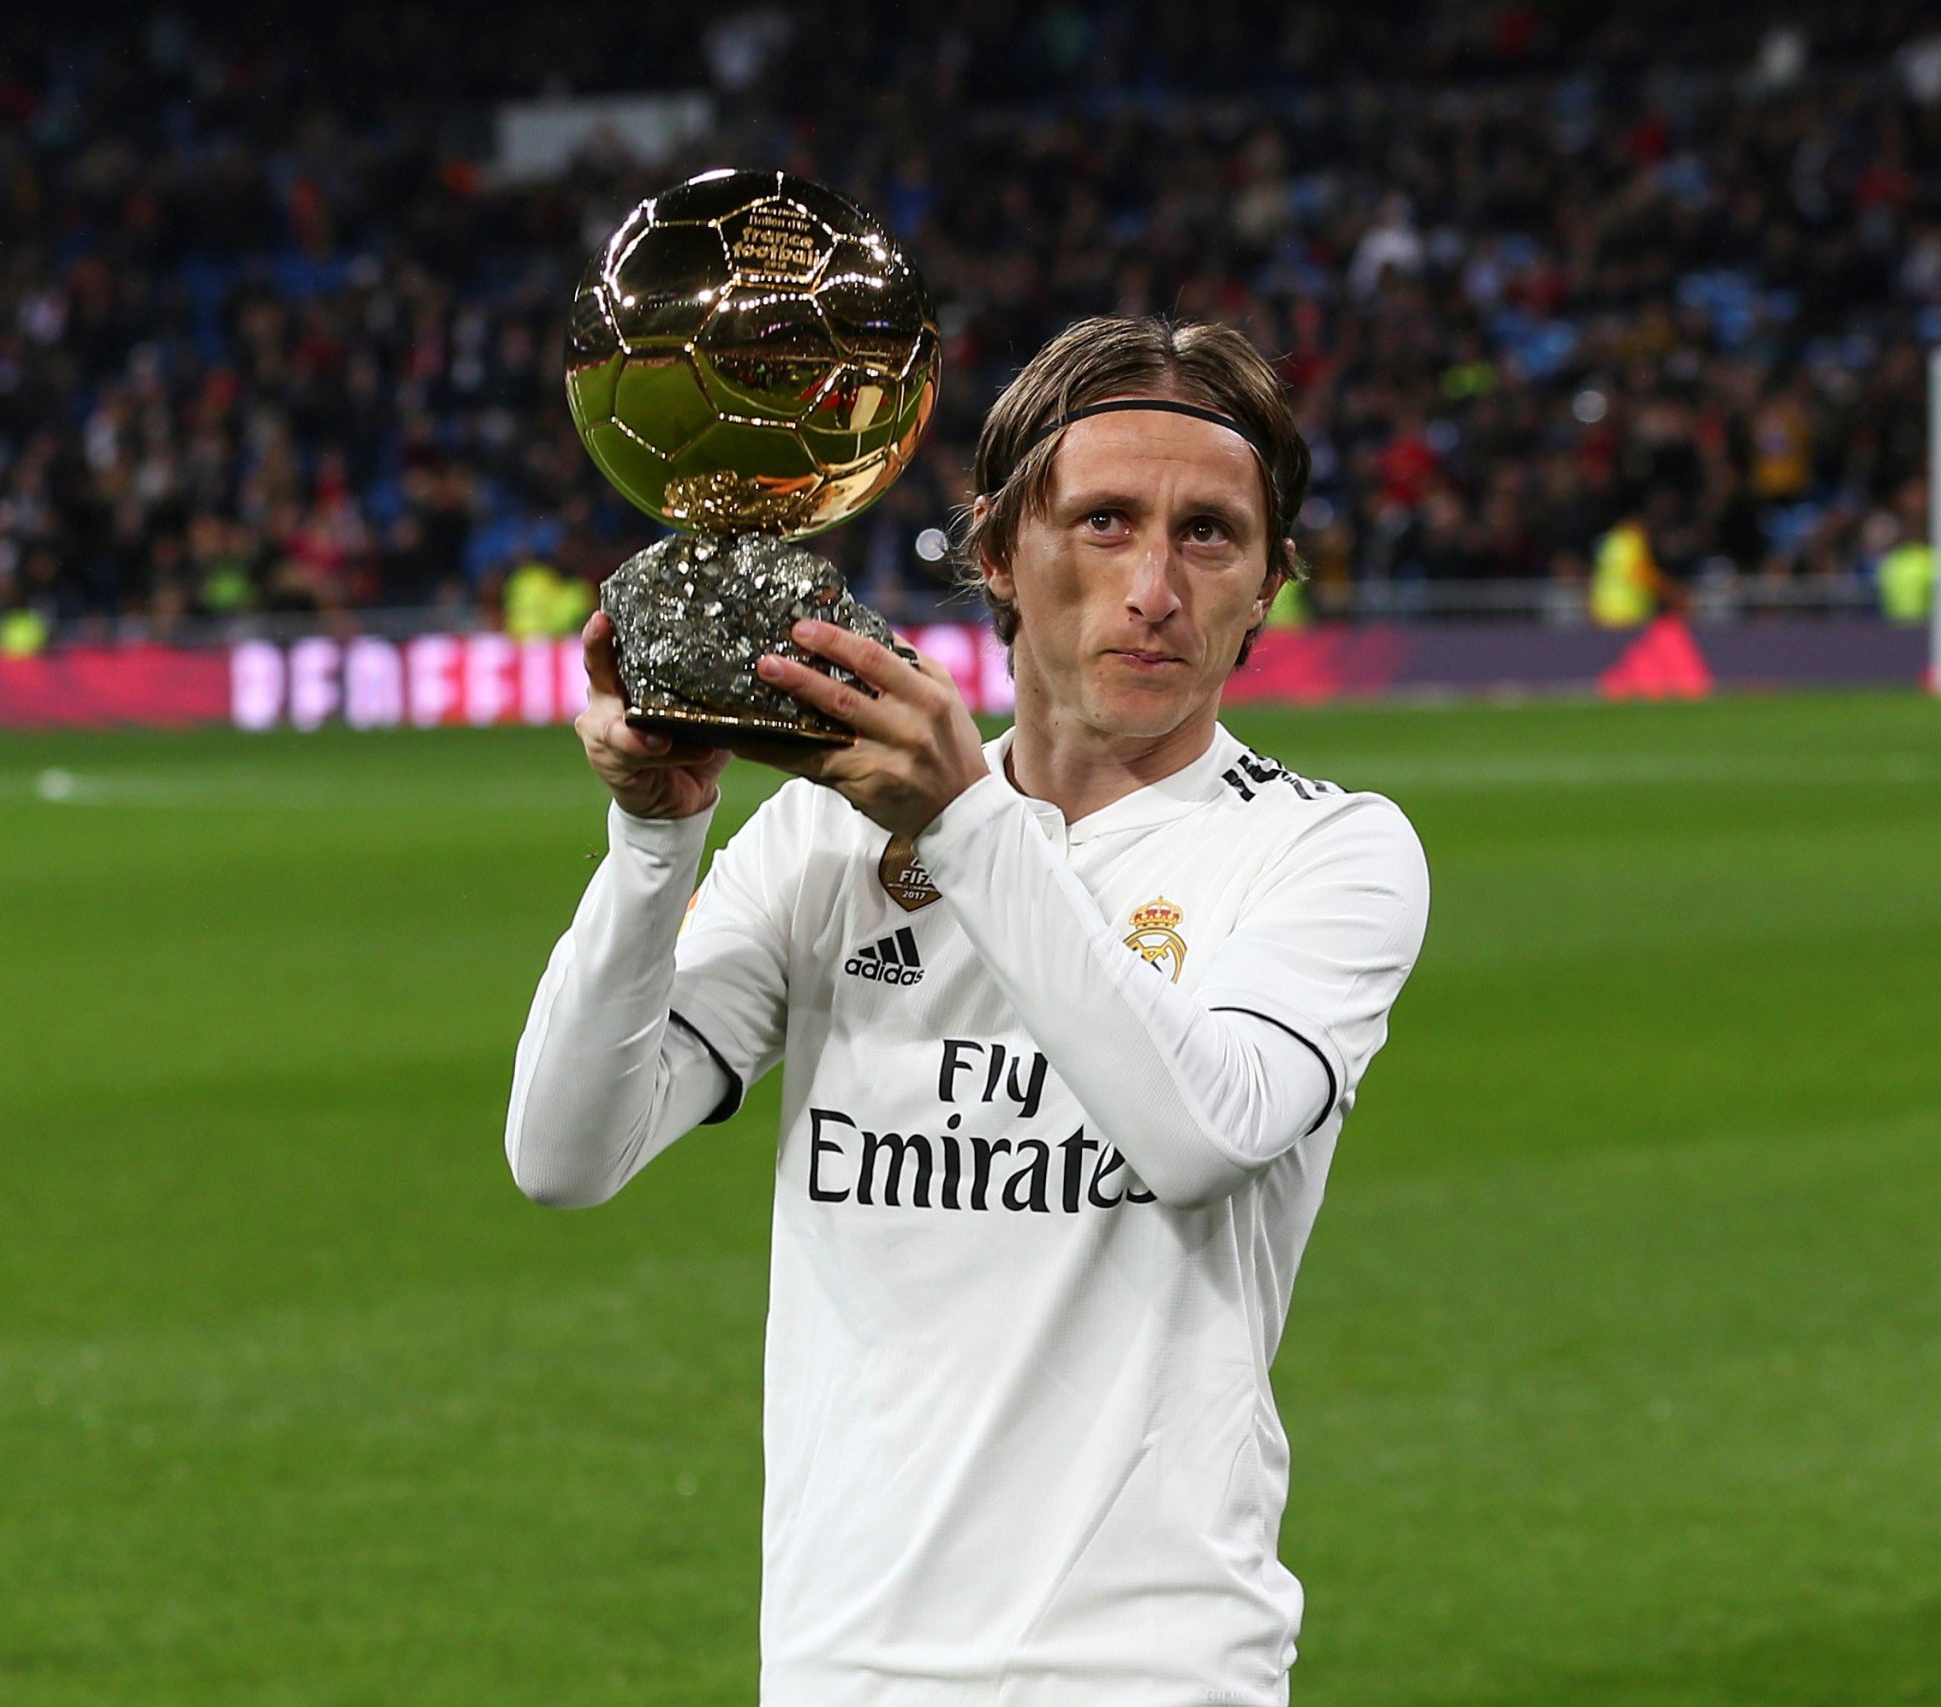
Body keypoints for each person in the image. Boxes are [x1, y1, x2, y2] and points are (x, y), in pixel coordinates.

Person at [505, 315, 1431, 1703]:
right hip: (840, 1664)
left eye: (1211, 536)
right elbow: (564, 1157)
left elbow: (1201, 1132)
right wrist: (656, 842)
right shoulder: (823, 849)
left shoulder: (1325, 852)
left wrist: (965, 821)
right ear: (998, 552)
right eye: (1105, 522)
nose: (1155, 586)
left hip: (1149, 1669)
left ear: (1270, 583)